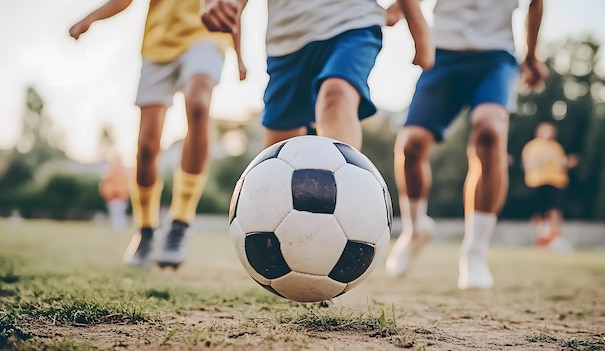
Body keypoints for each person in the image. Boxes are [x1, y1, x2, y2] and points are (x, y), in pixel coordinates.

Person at [385, 0, 548, 289]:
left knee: (489, 133)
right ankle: (414, 229)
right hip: (443, 55)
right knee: (410, 145)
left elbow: (536, 3)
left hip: (495, 58)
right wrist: (399, 8)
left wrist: (532, 55)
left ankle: (474, 252)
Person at [70, 0, 246, 268]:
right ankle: (146, 230)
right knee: (146, 146)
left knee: (198, 104)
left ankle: (180, 223)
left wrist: (240, 55)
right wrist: (90, 18)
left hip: (206, 35)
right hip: (158, 44)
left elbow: (229, 4)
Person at [200, 0, 434, 150]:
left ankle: (343, 199)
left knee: (337, 93)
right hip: (287, 40)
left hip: (353, 22)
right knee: (280, 148)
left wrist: (420, 33)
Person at [521, 121, 577, 251]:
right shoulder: (531, 147)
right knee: (538, 214)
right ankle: (540, 241)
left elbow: (560, 164)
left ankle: (555, 238)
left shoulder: (556, 147)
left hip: (555, 183)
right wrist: (544, 159)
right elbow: (529, 166)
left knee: (555, 211)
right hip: (537, 182)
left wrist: (569, 163)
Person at [99, 157, 130, 230]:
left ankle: (119, 228)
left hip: (119, 196)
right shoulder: (111, 173)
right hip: (114, 196)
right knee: (115, 213)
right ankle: (117, 228)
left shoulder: (116, 173)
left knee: (118, 213)